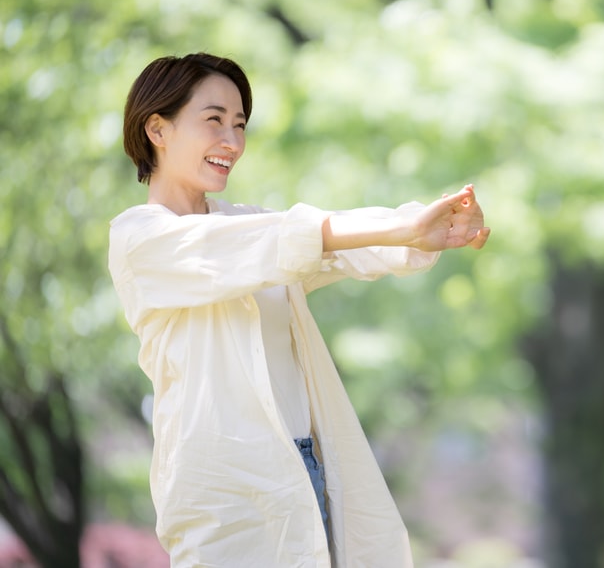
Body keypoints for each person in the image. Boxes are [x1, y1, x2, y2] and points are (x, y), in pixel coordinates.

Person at [107, 52, 490, 567]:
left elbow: (331, 246)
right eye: (214, 120)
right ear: (157, 127)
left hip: (303, 468)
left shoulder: (250, 226)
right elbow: (277, 241)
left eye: (240, 125)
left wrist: (427, 230)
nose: (233, 142)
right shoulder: (140, 238)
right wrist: (405, 228)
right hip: (223, 488)